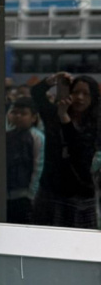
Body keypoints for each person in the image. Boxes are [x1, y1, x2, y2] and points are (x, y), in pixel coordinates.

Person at [30, 72, 100, 228]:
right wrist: (52, 80)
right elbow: (36, 93)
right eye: (75, 92)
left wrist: (65, 118)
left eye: (86, 94)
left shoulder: (95, 123)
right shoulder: (53, 115)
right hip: (50, 189)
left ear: (93, 97)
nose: (80, 97)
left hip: (79, 194)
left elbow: (78, 149)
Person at [5, 95, 43, 224]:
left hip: (25, 194)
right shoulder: (7, 135)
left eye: (23, 113)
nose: (18, 116)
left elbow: (38, 166)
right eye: (15, 113)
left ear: (33, 117)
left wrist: (32, 194)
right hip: (6, 193)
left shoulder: (36, 137)